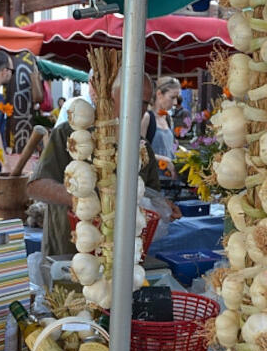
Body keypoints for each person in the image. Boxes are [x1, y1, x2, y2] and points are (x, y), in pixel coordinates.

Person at [28, 73, 180, 257]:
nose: (137, 109)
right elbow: (35, 187)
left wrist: (162, 207)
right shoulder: (69, 134)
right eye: (131, 99)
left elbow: (148, 197)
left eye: (144, 103)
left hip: (119, 259)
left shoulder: (142, 148)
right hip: (68, 255)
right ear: (109, 96)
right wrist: (83, 200)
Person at [141, 76, 180, 177]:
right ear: (159, 94)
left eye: (177, 98)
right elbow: (139, 151)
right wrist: (163, 159)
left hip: (169, 181)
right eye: (172, 97)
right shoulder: (147, 117)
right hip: (152, 180)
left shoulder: (168, 118)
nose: (175, 103)